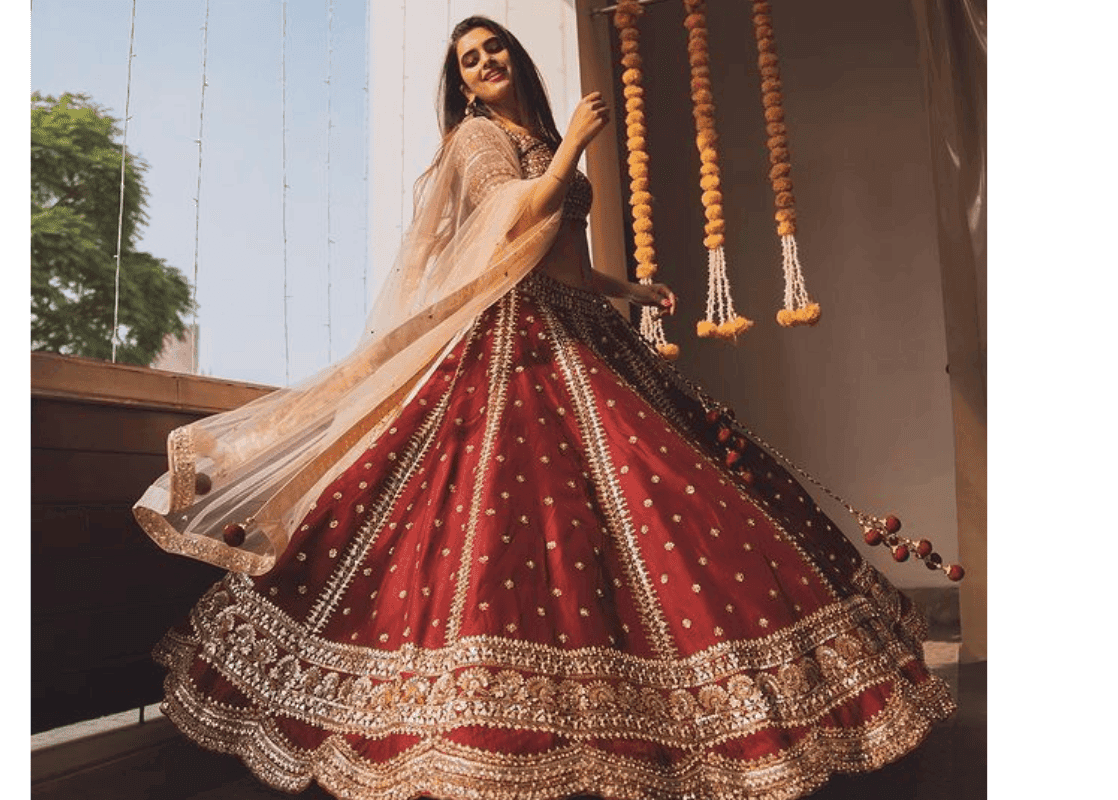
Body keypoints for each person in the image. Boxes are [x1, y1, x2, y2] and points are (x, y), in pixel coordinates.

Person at [134, 15, 955, 800]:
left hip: (577, 321)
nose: (485, 63)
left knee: (672, 496)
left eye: (495, 50)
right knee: (514, 517)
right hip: (514, 344)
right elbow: (509, 220)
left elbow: (558, 261)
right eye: (468, 59)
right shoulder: (476, 140)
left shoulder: (534, 134)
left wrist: (626, 287)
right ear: (460, 86)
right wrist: (571, 152)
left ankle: (665, 716)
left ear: (517, 60)